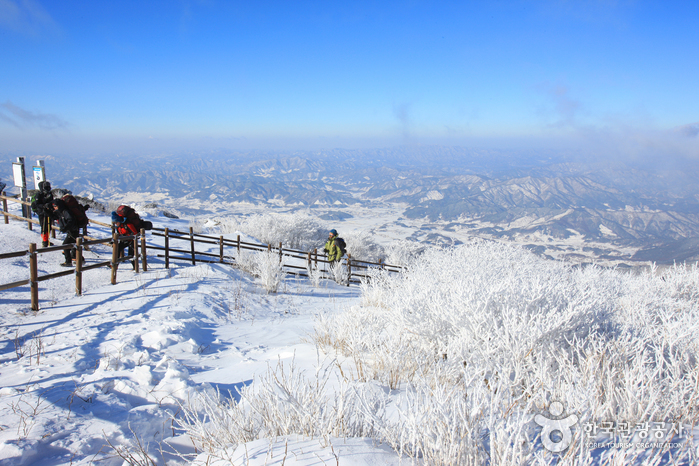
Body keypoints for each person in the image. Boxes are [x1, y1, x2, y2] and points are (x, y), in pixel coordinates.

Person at [51, 199, 81, 266]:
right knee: (74, 245)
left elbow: (71, 220)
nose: (54, 207)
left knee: (65, 245)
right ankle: (80, 259)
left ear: (59, 205)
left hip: (72, 231)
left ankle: (68, 262)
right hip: (72, 231)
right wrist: (46, 210)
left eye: (55, 206)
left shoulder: (66, 212)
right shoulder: (61, 212)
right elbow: (53, 217)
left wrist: (66, 228)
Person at [31, 181, 54, 247]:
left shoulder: (49, 194)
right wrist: (44, 206)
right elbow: (37, 204)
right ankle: (44, 241)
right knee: (44, 226)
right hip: (41, 213)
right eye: (46, 187)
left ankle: (46, 240)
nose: (48, 189)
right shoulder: (39, 195)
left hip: (48, 212)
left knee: (49, 227)